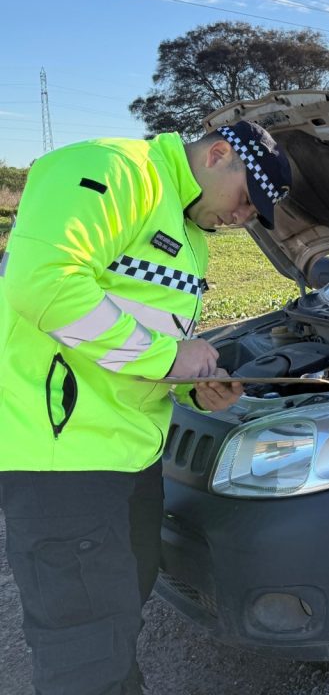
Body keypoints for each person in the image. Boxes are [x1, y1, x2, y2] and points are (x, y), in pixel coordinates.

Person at [0, 120, 291, 693]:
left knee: (116, 621)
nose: (243, 219)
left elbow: (147, 341)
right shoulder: (114, 170)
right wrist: (167, 360)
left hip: (131, 457)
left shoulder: (190, 235)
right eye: (246, 200)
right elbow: (43, 283)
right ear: (218, 153)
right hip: (64, 460)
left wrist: (196, 382)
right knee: (83, 647)